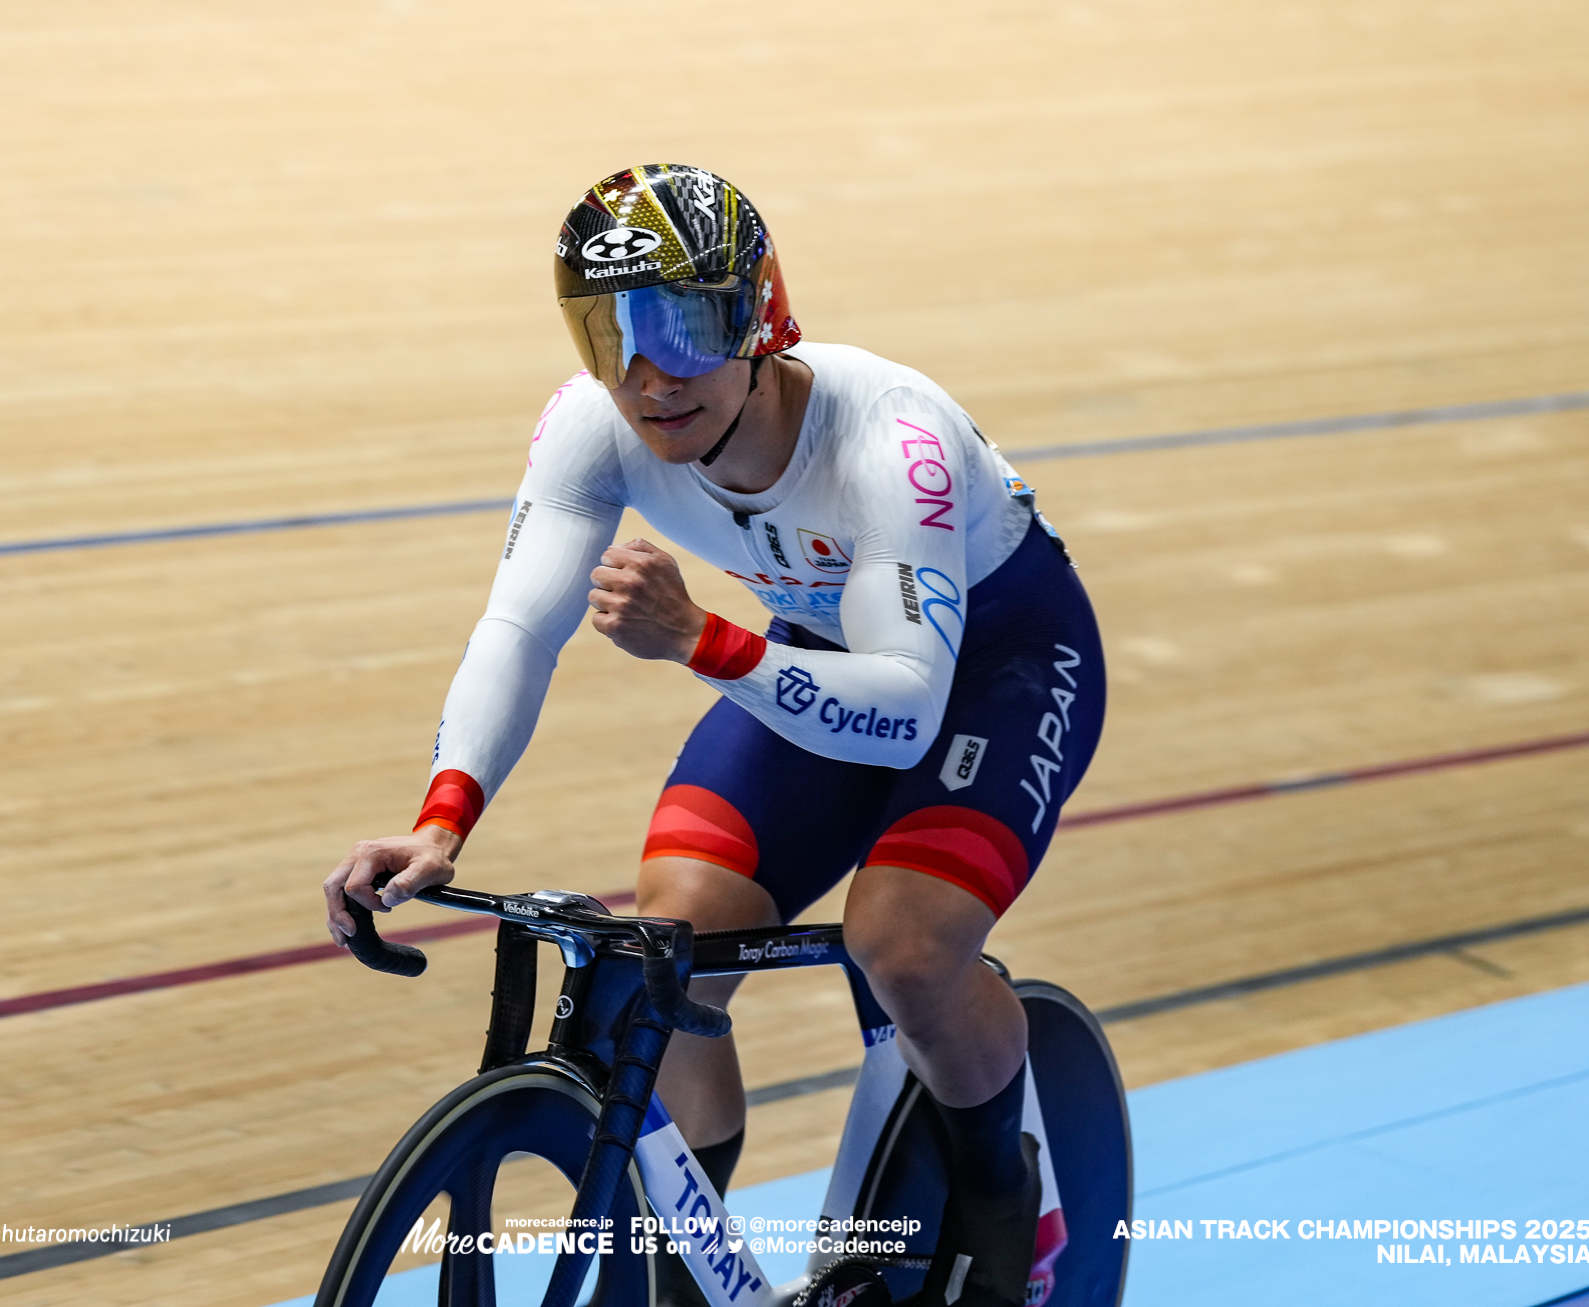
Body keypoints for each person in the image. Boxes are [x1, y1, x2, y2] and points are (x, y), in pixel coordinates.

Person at [325, 164, 1105, 1307]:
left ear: (758, 314)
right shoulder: (596, 423)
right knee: (668, 944)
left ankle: (1005, 1197)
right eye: (609, 333)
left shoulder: (892, 437)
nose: (647, 376)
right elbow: (517, 626)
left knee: (903, 941)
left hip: (995, 666)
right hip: (824, 649)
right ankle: (695, 1257)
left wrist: (703, 640)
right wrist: (442, 816)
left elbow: (901, 716)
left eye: (682, 326)